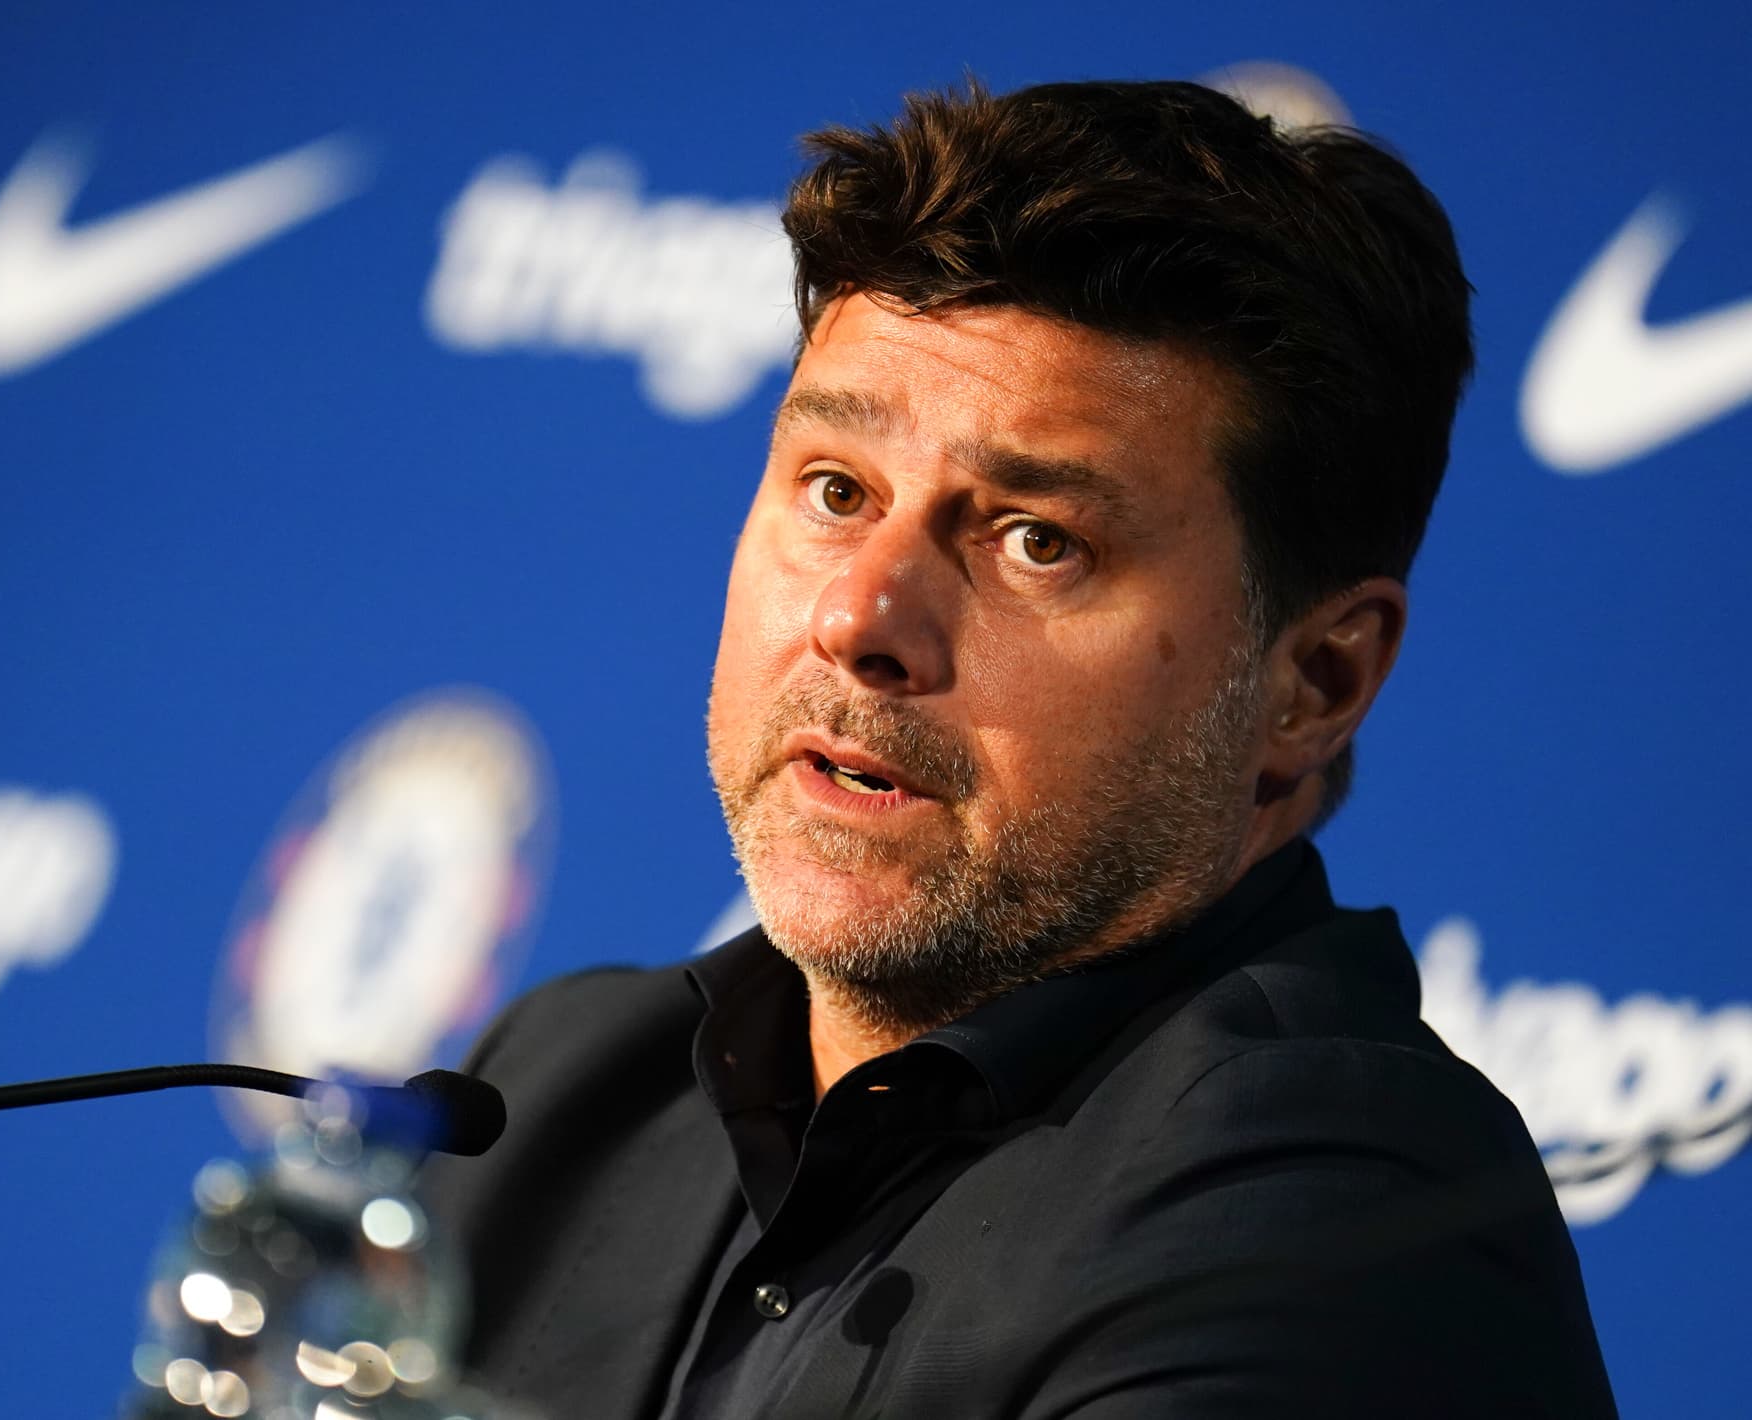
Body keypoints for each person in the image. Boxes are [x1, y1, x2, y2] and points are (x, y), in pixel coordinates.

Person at [419, 79, 1618, 1418]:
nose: (860, 618)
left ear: (1312, 684)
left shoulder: (1337, 1218)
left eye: (1036, 540)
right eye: (836, 491)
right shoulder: (554, 1086)